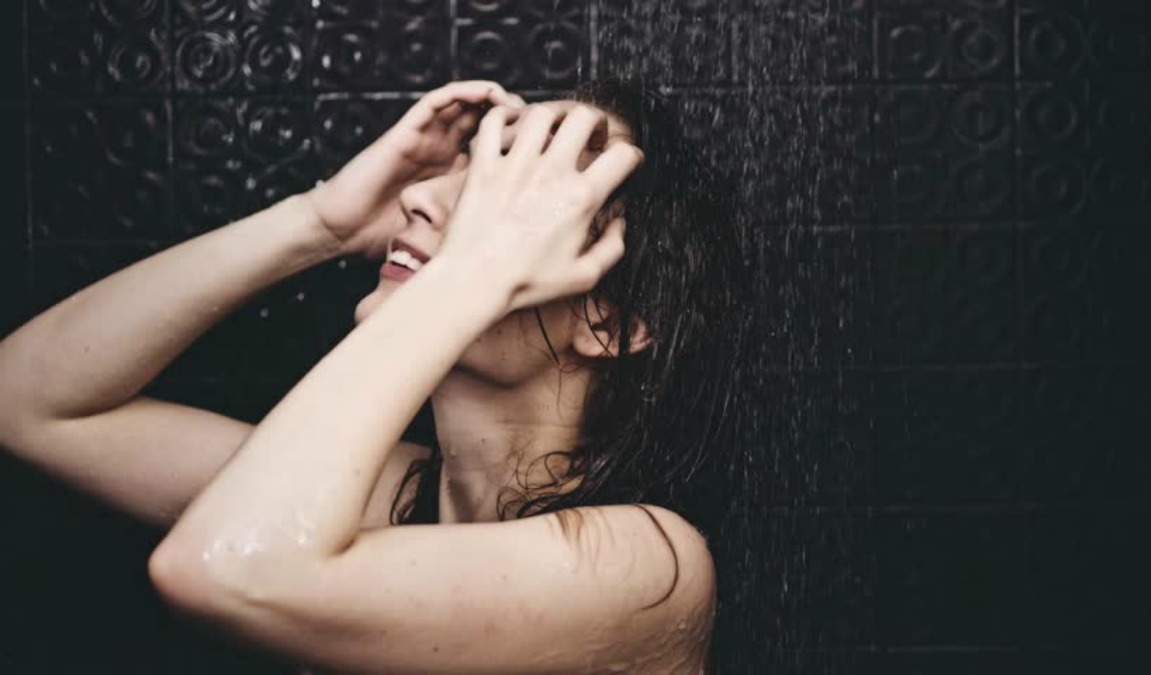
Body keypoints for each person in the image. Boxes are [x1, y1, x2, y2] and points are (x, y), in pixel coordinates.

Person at [0, 78, 748, 673]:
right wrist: (318, 224)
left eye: (509, 197)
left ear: (610, 325)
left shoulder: (650, 567)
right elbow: (26, 401)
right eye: (472, 167)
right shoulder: (389, 499)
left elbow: (222, 570)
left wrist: (470, 272)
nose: (419, 197)